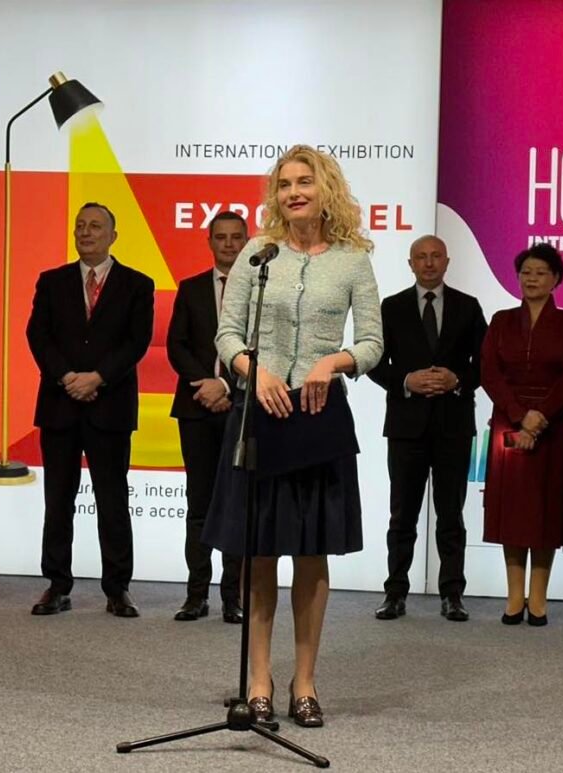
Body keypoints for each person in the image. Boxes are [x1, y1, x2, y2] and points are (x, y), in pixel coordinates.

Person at [202, 145, 383, 728]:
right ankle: (259, 681)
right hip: (260, 413)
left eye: (304, 182)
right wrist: (253, 371)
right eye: (284, 184)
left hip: (320, 417)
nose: (293, 192)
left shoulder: (353, 259)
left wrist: (334, 362)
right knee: (259, 554)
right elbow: (227, 335)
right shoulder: (259, 253)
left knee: (311, 554)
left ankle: (305, 682)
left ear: (326, 188)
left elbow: (374, 344)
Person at [26, 202, 154, 617]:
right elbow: (38, 335)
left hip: (109, 406)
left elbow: (137, 341)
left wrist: (97, 378)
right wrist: (67, 377)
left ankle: (117, 588)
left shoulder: (137, 284)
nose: (86, 232)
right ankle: (56, 585)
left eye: (96, 226)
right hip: (60, 404)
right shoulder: (52, 281)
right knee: (57, 499)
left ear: (113, 235)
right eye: (80, 225)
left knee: (112, 500)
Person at [368, 235, 487, 622]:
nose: (429, 263)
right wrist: (407, 381)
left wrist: (457, 379)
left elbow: (486, 363)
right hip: (406, 425)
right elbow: (373, 362)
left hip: (454, 424)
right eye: (421, 257)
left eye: (436, 256)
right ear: (411, 263)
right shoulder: (392, 307)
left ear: (447, 261)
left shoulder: (468, 306)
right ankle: (395, 592)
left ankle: (452, 594)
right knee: (402, 515)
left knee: (451, 515)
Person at [480, 244, 563, 626]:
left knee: (546, 511)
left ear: (556, 279)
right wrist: (520, 416)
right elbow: (490, 373)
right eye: (526, 272)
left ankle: (538, 599)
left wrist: (540, 417)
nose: (532, 279)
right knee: (512, 511)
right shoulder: (501, 320)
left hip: (553, 426)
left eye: (541, 272)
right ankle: (513, 598)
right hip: (510, 422)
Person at [167, 211, 246, 624]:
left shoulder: (259, 293)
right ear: (210, 241)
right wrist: (206, 385)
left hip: (243, 408)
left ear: (247, 241)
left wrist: (227, 386)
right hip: (196, 407)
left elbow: (262, 347)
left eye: (236, 237)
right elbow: (176, 345)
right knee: (198, 503)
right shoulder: (191, 288)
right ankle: (196, 595)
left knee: (236, 504)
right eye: (221, 237)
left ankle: (233, 597)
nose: (229, 244)